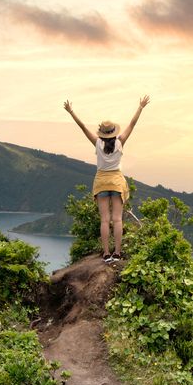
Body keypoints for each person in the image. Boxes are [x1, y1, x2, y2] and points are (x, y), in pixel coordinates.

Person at [63, 95, 150, 263]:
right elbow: (132, 124)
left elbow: (82, 127)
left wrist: (71, 112)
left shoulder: (97, 143)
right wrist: (140, 107)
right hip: (116, 182)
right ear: (113, 132)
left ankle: (106, 253)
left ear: (102, 133)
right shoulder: (120, 142)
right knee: (117, 219)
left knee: (105, 220)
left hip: (101, 182)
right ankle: (117, 253)